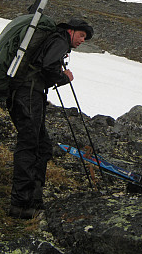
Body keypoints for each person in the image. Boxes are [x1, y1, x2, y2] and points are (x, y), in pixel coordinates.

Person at [7, 16, 94, 219]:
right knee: (30, 145)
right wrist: (65, 77)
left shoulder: (56, 40)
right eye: (81, 35)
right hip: (28, 93)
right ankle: (20, 205)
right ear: (71, 31)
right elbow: (47, 68)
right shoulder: (60, 40)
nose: (82, 40)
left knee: (41, 145)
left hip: (26, 93)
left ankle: (34, 199)